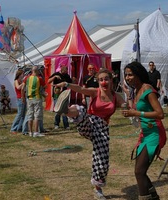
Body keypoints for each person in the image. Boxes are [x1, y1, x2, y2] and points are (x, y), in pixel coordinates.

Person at [54, 68, 125, 200]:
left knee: (102, 160)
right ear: (98, 82)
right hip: (89, 123)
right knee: (80, 110)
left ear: (111, 80)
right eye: (101, 79)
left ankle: (98, 189)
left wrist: (129, 106)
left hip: (102, 130)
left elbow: (126, 106)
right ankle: (66, 110)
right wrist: (67, 84)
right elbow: (81, 89)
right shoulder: (95, 92)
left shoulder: (116, 97)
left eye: (106, 79)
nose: (104, 82)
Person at [122, 61, 165, 200]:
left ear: (138, 74)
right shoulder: (136, 89)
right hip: (145, 134)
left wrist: (136, 114)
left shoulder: (147, 89)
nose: (127, 78)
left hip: (155, 134)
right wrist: (131, 112)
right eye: (126, 75)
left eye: (130, 74)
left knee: (139, 172)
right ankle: (154, 196)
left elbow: (160, 114)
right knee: (141, 171)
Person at [22, 65, 46, 137]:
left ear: (32, 71)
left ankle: (30, 132)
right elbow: (44, 87)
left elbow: (22, 88)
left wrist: (23, 97)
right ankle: (36, 132)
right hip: (37, 98)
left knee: (30, 115)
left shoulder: (26, 78)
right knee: (36, 115)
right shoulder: (39, 78)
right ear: (37, 71)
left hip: (29, 98)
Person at [48, 65, 72, 129]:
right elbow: (48, 81)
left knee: (64, 110)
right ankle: (56, 124)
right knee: (57, 110)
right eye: (65, 71)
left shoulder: (67, 76)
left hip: (64, 95)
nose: (66, 72)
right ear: (62, 70)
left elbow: (70, 83)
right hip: (57, 94)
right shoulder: (56, 74)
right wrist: (54, 77)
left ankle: (66, 125)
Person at [10, 69, 26, 134]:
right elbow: (18, 87)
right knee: (19, 114)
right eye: (22, 74)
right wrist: (23, 83)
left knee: (23, 115)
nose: (23, 75)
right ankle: (13, 128)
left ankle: (19, 127)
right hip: (19, 98)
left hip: (24, 97)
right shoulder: (16, 81)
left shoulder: (22, 81)